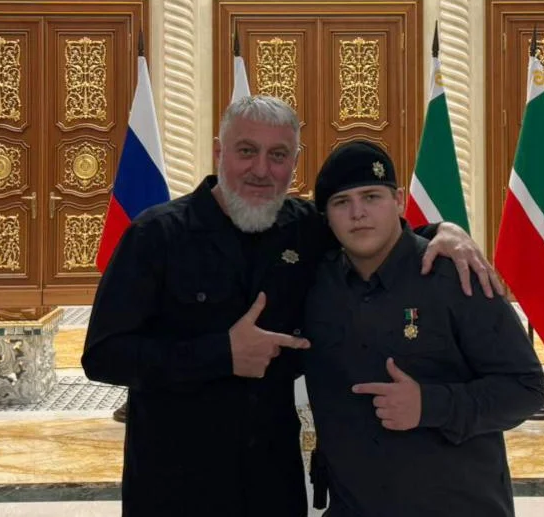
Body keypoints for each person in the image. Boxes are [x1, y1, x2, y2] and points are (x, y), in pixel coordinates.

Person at [81, 95, 502, 517]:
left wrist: (443, 231)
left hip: (272, 483)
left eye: (278, 155)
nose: (261, 169)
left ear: (294, 164)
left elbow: (371, 231)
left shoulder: (304, 228)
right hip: (175, 484)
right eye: (247, 151)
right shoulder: (155, 236)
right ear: (219, 153)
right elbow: (103, 356)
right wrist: (222, 354)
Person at [304, 140, 544, 517]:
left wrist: (429, 405)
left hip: (455, 504)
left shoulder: (457, 277)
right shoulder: (316, 284)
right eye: (341, 202)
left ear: (399, 200)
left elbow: (525, 389)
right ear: (327, 218)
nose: (358, 213)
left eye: (371, 197)